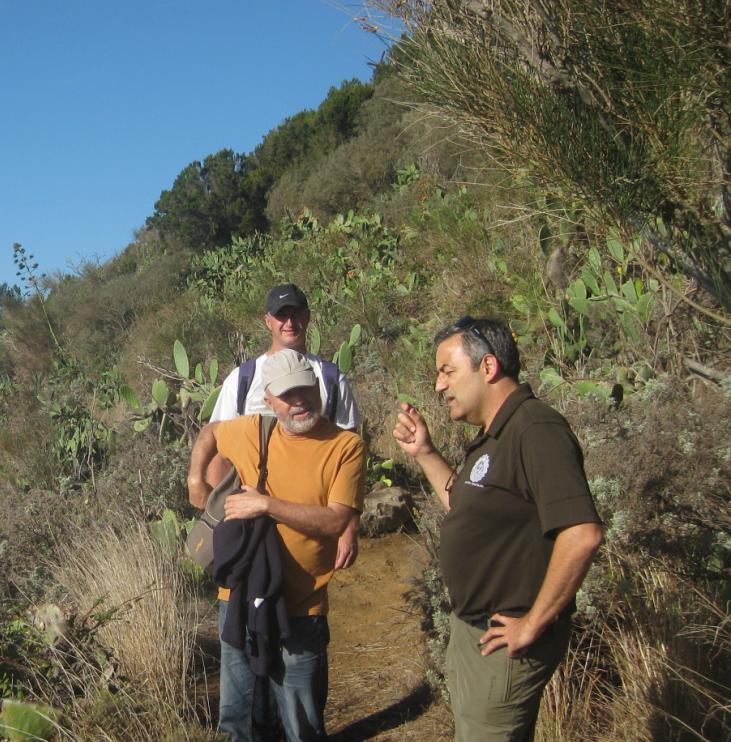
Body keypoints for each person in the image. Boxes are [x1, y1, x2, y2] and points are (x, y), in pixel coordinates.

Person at [391, 317, 603, 740]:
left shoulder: (536, 429)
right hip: (475, 634)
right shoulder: (494, 434)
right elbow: (466, 505)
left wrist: (533, 623)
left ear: (487, 367)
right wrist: (426, 453)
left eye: (447, 371)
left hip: (504, 641)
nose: (439, 385)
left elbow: (582, 533)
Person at [189, 349, 365, 741]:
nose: (299, 402)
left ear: (317, 389)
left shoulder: (345, 447)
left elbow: (336, 519)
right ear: (269, 400)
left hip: (303, 601)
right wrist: (195, 479)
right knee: (240, 715)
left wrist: (266, 505)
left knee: (300, 719)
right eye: (288, 395)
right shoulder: (252, 430)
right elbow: (211, 433)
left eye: (306, 390)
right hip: (238, 597)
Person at [208, 282, 362, 570]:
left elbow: (351, 457)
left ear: (308, 317)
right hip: (249, 532)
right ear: (268, 321)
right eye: (281, 315)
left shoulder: (330, 378)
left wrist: (349, 524)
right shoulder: (243, 378)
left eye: (296, 314)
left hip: (311, 528)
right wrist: (223, 508)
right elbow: (217, 445)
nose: (289, 323)